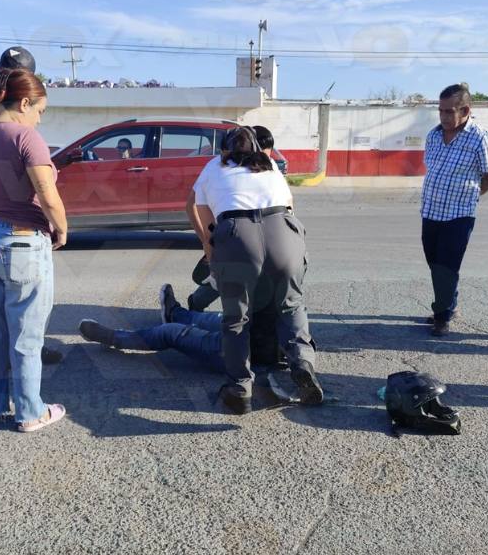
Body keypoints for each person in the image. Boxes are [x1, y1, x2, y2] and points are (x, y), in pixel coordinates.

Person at [0, 68, 68, 432]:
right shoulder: (27, 138)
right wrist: (63, 227)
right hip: (22, 241)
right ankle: (30, 412)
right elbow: (47, 194)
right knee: (26, 334)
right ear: (24, 102)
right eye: (40, 110)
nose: (39, 118)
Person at [191, 125, 321, 414]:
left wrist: (211, 245)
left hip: (238, 236)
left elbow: (201, 212)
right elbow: (290, 204)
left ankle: (239, 386)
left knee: (237, 317)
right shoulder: (270, 165)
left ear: (225, 150)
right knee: (291, 305)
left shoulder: (213, 167)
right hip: (284, 231)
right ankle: (302, 364)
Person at [420, 82, 488, 337]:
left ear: (465, 110)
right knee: (435, 264)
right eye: (440, 111)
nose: (443, 116)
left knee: (447, 266)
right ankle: (448, 305)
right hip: (431, 212)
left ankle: (442, 316)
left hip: (459, 215)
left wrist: (472, 196)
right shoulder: (433, 136)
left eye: (449, 111)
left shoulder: (480, 139)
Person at [185, 125, 285, 313]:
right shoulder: (218, 166)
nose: (266, 154)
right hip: (232, 234)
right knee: (226, 276)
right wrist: (207, 240)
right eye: (264, 149)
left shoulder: (267, 167)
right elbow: (191, 205)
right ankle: (197, 305)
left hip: (245, 236)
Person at [78, 283, 285, 373]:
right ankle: (175, 313)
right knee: (210, 319)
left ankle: (114, 337)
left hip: (241, 350)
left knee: (171, 333)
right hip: (250, 328)